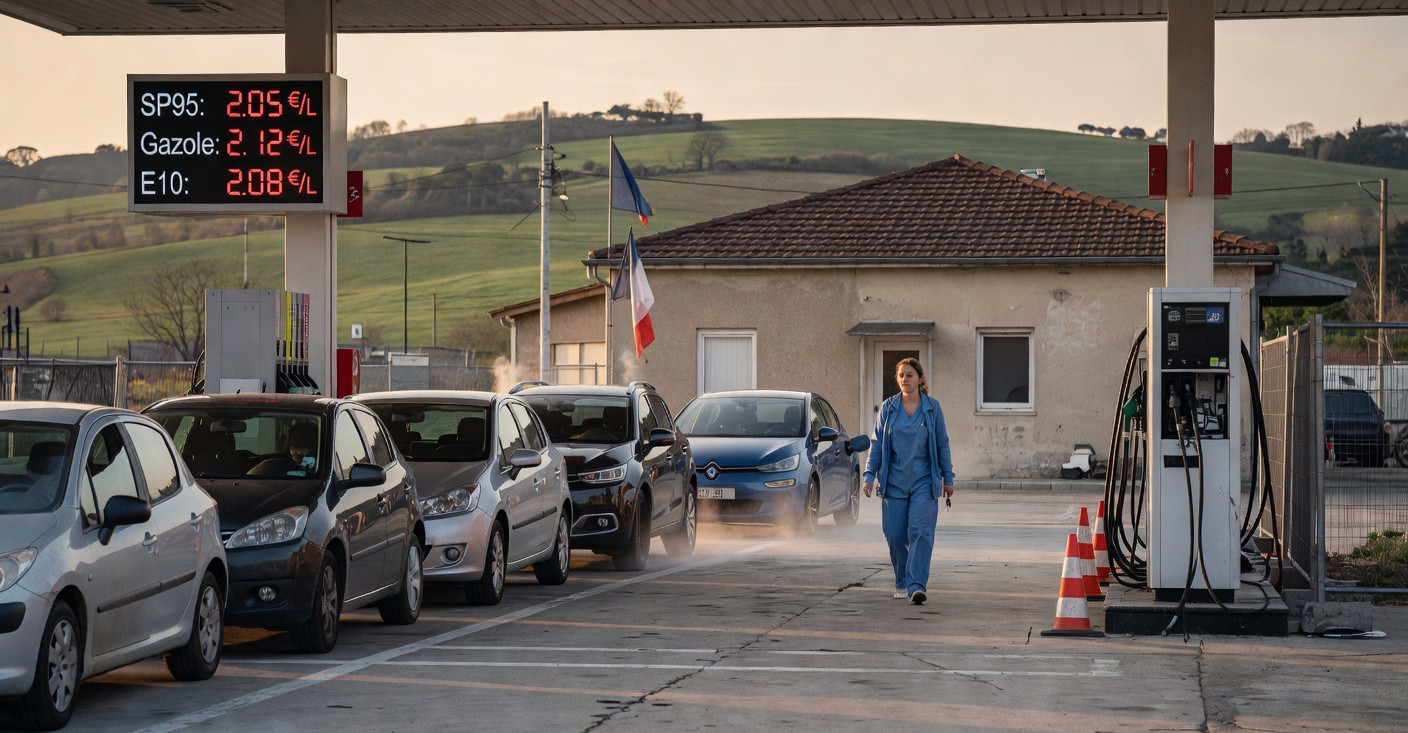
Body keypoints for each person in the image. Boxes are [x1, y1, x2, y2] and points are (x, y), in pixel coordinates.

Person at [862, 358, 955, 605]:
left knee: (919, 531)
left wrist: (948, 477)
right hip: (894, 481)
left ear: (920, 379)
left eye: (910, 375)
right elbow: (877, 443)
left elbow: (942, 445)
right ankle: (901, 579)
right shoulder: (888, 408)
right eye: (901, 375)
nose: (905, 379)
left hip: (924, 480)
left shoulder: (932, 409)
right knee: (894, 534)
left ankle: (916, 585)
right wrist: (869, 475)